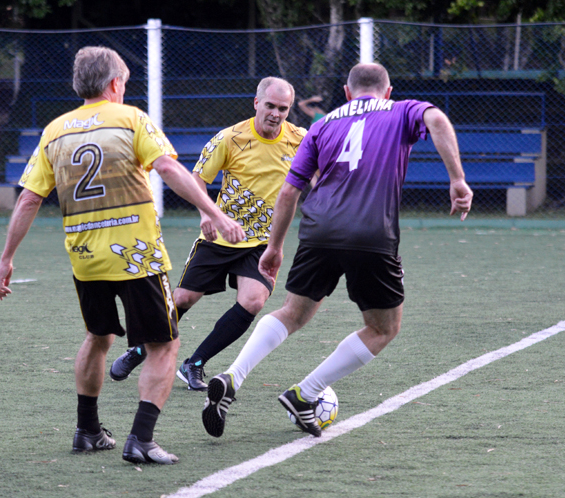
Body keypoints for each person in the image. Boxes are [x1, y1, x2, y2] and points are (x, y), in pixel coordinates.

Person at [0, 46, 244, 464]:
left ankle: (87, 430)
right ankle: (141, 439)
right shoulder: (131, 120)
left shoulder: (55, 131)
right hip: (136, 255)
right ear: (114, 84)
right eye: (124, 82)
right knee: (164, 346)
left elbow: (28, 201)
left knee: (98, 336)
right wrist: (212, 210)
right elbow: (168, 169)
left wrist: (6, 260)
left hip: (85, 257)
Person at [202, 62, 474, 438]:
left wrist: (275, 247)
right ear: (388, 90)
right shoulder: (400, 110)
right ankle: (305, 393)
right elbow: (438, 120)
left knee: (292, 313)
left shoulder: (323, 124)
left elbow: (289, 192)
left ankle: (233, 376)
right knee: (383, 328)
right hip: (370, 233)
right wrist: (458, 180)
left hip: (318, 231)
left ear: (347, 93)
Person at [109, 77, 307, 391]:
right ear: (256, 103)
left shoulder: (301, 139)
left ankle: (195, 363)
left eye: (283, 108)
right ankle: (141, 348)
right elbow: (197, 179)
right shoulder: (230, 138)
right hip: (222, 235)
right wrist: (207, 214)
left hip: (262, 243)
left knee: (254, 302)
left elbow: (322, 176)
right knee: (185, 297)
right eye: (270, 105)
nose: (276, 113)